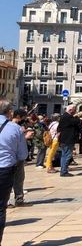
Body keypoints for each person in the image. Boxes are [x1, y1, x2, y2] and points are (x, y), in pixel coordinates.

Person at [0, 100, 28, 244]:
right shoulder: (15, 128)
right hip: (4, 170)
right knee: (0, 207)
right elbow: (23, 155)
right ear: (9, 112)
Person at [57, 104, 80, 177]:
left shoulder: (64, 116)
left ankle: (63, 170)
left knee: (64, 155)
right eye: (74, 110)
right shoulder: (67, 117)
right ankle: (63, 171)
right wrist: (78, 117)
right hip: (67, 140)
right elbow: (76, 122)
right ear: (70, 110)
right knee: (67, 155)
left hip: (64, 139)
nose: (75, 111)